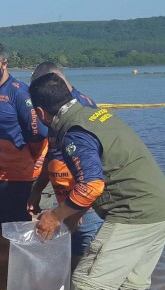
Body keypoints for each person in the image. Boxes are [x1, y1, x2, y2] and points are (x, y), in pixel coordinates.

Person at [29, 73, 165, 290]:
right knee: (129, 289)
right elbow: (102, 172)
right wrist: (75, 213)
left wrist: (55, 216)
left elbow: (92, 184)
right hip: (164, 209)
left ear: (41, 112)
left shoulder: (74, 132)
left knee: (87, 287)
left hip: (135, 213)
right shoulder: (93, 114)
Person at [27, 61, 102, 263]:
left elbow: (92, 174)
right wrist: (37, 190)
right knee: (71, 263)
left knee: (87, 269)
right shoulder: (56, 112)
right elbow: (53, 155)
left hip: (84, 206)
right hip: (66, 203)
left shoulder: (81, 110)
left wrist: (77, 210)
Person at [0, 40, 47, 245]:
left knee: (18, 236)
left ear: (4, 64)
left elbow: (37, 133)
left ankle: (16, 275)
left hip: (16, 179)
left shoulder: (19, 92)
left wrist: (28, 160)